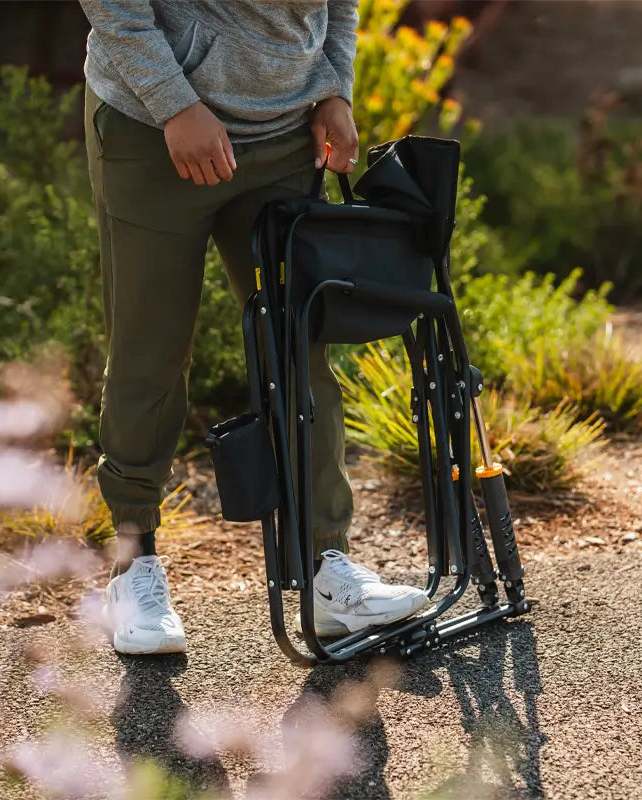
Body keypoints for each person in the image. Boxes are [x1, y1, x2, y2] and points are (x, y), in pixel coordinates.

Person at [80, 0, 428, 655]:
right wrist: (174, 105)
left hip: (285, 138)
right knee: (150, 353)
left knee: (298, 348)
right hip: (154, 131)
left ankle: (325, 567)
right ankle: (133, 567)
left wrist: (334, 88)